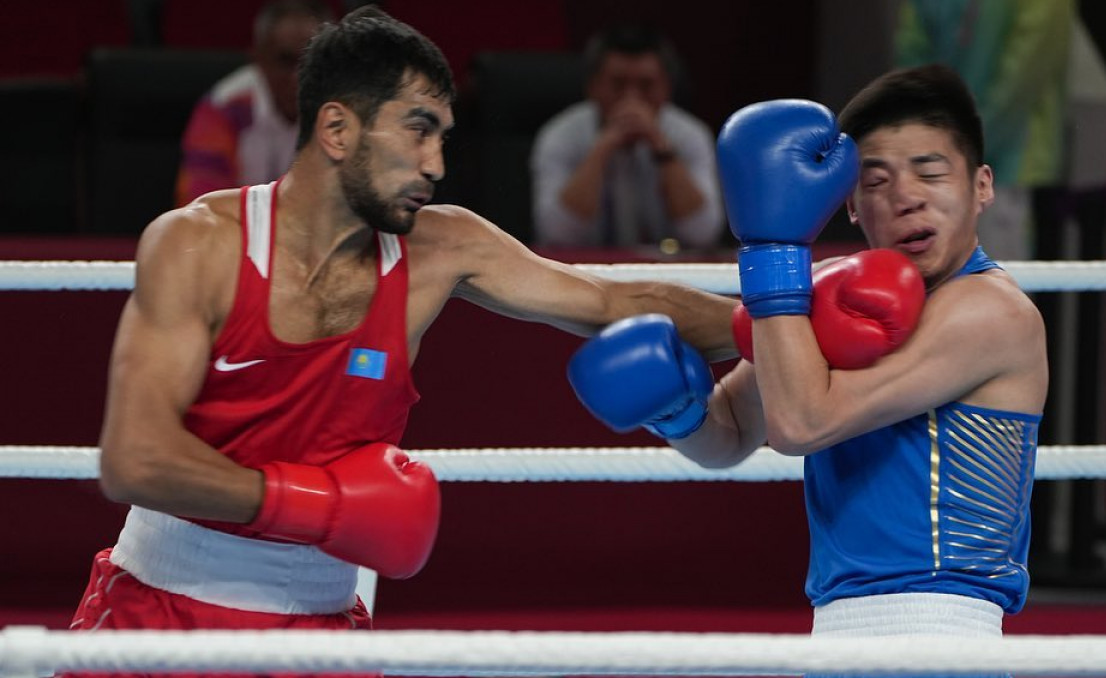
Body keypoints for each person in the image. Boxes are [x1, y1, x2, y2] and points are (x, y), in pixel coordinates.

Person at [65, 4, 737, 659]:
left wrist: (792, 320)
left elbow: (617, 298)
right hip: (159, 613)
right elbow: (135, 459)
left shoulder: (442, 247)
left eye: (443, 136)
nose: (436, 164)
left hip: (316, 630)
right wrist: (318, 508)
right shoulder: (200, 244)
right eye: (418, 131)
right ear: (336, 129)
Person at [568, 64, 1049, 643]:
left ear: (981, 186)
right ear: (849, 207)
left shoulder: (992, 312)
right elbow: (730, 436)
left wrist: (771, 248)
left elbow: (801, 423)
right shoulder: (835, 300)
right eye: (875, 182)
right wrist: (678, 410)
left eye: (930, 172)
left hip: (938, 626)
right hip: (838, 624)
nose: (906, 198)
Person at [893, 0, 1075, 260]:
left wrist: (949, 151)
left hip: (1009, 167)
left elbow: (1021, 81)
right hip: (936, 165)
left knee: (998, 282)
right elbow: (911, 64)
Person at [530, 23, 723, 252]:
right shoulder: (560, 135)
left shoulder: (690, 136)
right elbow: (556, 235)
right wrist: (602, 149)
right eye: (618, 84)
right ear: (592, 86)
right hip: (586, 276)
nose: (631, 98)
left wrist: (662, 149)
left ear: (667, 88)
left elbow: (703, 234)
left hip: (668, 276)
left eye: (646, 85)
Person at [174, 0, 332, 206]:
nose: (297, 77)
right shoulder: (221, 109)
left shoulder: (347, 111)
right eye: (285, 61)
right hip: (235, 233)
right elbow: (200, 204)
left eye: (311, 62)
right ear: (258, 58)